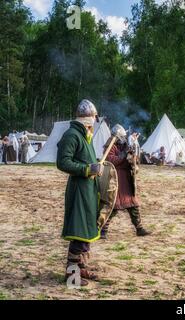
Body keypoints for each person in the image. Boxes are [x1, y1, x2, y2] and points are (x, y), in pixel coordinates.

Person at [56, 99, 103, 287]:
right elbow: (63, 162)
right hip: (78, 191)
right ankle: (72, 276)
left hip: (88, 191)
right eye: (93, 117)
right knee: (79, 231)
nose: (95, 120)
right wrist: (87, 169)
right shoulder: (72, 135)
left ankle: (81, 268)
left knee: (85, 230)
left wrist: (95, 166)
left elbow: (86, 159)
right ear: (87, 118)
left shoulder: (85, 135)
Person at [101, 125, 150, 239]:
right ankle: (103, 230)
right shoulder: (110, 145)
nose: (123, 138)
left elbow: (131, 158)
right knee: (114, 205)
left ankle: (139, 228)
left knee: (133, 204)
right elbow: (109, 159)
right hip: (115, 178)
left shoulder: (124, 145)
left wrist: (132, 157)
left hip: (126, 179)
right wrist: (123, 158)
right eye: (121, 136)